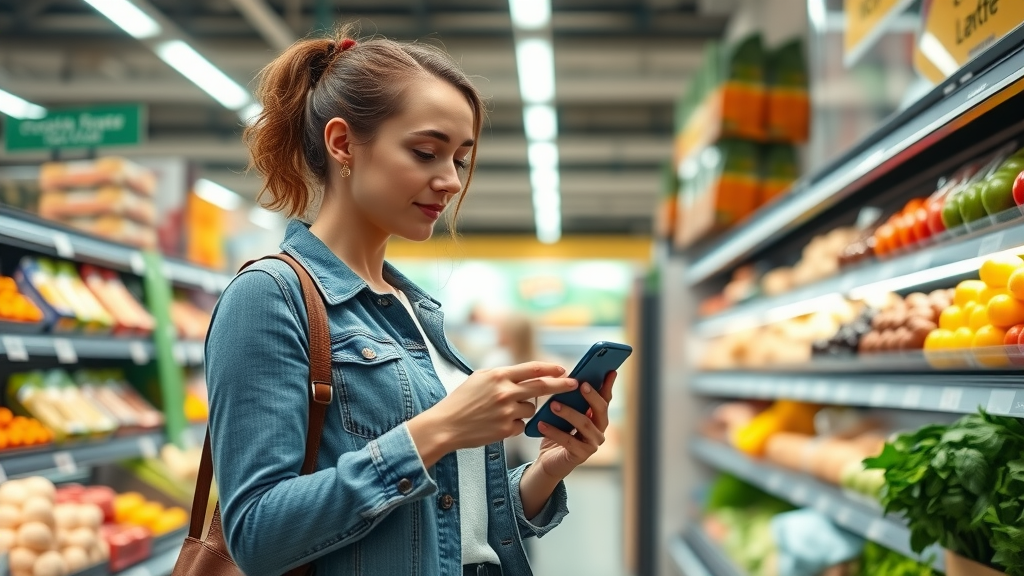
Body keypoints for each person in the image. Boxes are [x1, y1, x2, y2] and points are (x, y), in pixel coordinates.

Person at [205, 27, 618, 576]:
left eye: (461, 160)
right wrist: (438, 428)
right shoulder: (269, 297)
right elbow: (256, 535)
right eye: (426, 152)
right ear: (342, 143)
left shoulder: (414, 311)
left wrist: (547, 471)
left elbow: (448, 529)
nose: (448, 180)